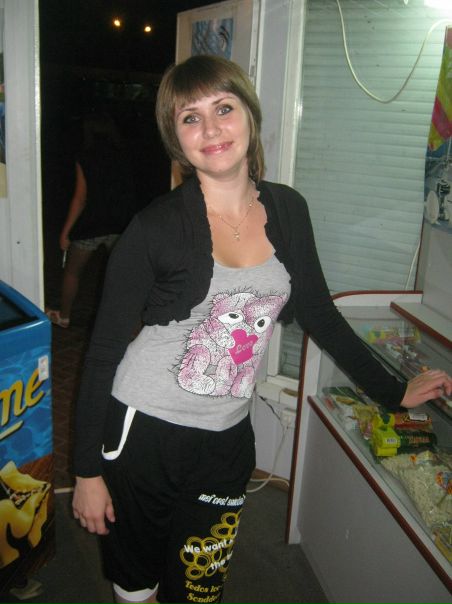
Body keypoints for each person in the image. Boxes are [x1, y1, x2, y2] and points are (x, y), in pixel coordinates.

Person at [71, 55, 452, 604]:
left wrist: (395, 391)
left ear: (250, 114)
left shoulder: (289, 210)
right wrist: (86, 472)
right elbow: (103, 352)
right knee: (138, 587)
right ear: (176, 139)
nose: (211, 129)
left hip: (226, 438)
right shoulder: (153, 228)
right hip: (142, 431)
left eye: (224, 108)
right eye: (190, 118)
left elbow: (320, 314)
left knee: (200, 588)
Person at [46, 112, 135, 328]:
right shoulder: (124, 155)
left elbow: (80, 198)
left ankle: (64, 316)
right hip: (119, 223)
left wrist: (66, 233)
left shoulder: (85, 157)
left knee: (73, 272)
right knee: (122, 274)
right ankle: (126, 322)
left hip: (92, 224)